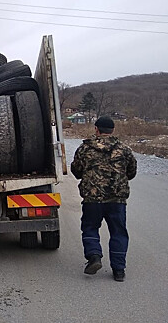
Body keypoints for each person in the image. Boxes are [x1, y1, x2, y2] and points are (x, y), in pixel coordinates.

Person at [71, 116, 137, 282]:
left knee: (90, 227)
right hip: (117, 200)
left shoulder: (85, 148)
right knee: (118, 232)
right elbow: (132, 172)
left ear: (96, 129)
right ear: (113, 130)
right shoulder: (124, 149)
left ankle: (94, 257)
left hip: (92, 199)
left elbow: (76, 170)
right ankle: (119, 270)